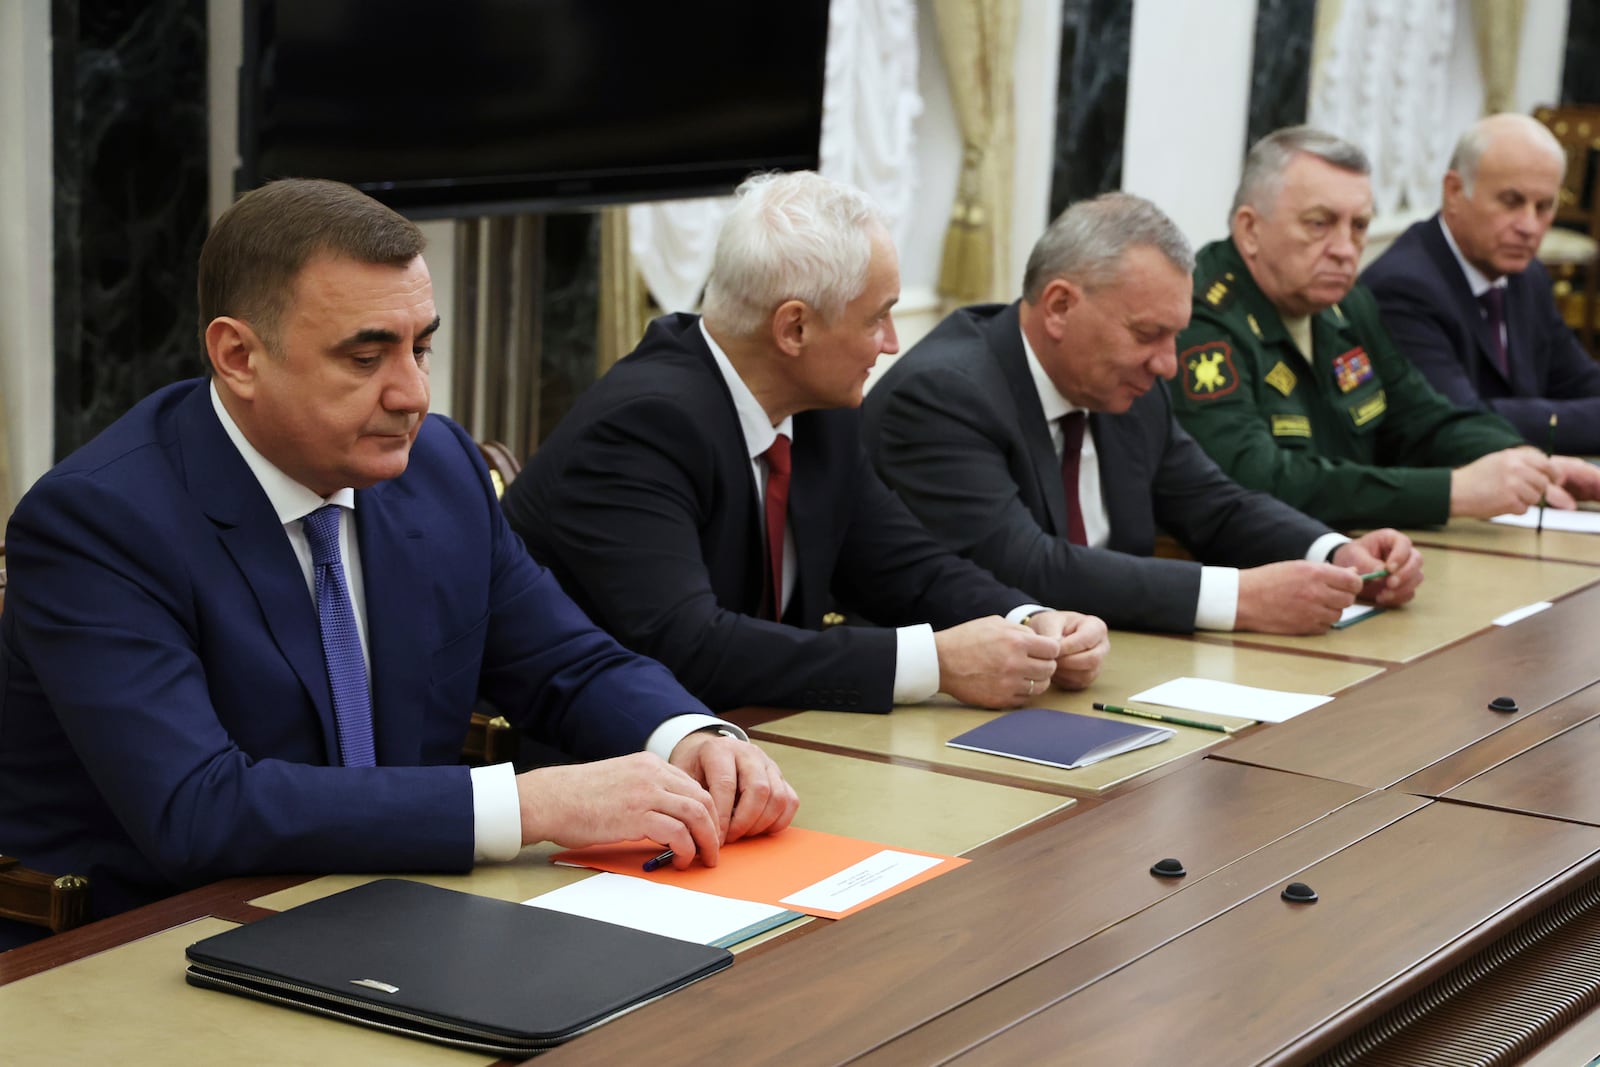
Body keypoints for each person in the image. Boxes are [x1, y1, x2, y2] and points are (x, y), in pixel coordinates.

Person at [0, 179, 797, 949]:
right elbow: (200, 808)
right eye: (366, 357)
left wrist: (688, 735)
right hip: (159, 940)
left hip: (409, 911)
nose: (413, 392)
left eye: (421, 346)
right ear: (239, 355)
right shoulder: (98, 524)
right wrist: (528, 804)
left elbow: (568, 661)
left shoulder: (440, 467)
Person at [503, 171, 1109, 715]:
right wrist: (935, 664)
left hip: (763, 737)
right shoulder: (644, 425)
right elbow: (689, 646)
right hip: (604, 765)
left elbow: (906, 569)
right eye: (877, 317)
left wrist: (1031, 622)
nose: (891, 343)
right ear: (794, 327)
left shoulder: (821, 410)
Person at [862, 192, 1423, 636]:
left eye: (1175, 336)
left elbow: (1216, 505)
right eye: (1148, 334)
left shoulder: (1128, 384)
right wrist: (1242, 598)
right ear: (1060, 307)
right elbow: (1027, 568)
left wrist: (1333, 552)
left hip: (1118, 656)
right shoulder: (945, 394)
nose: (1169, 365)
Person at [1169, 125, 1600, 529]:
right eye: (1319, 224)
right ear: (1249, 230)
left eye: (1358, 226)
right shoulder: (1202, 320)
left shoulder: (1347, 305)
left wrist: (1521, 460)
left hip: (1357, 549)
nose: (1344, 249)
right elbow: (1259, 480)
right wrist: (1451, 492)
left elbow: (1423, 417)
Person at [1362, 113, 1600, 453]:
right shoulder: (1402, 287)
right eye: (1511, 202)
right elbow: (1463, 423)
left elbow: (1577, 379)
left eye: (1544, 206)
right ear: (1455, 191)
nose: (1529, 226)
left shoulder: (1526, 276)